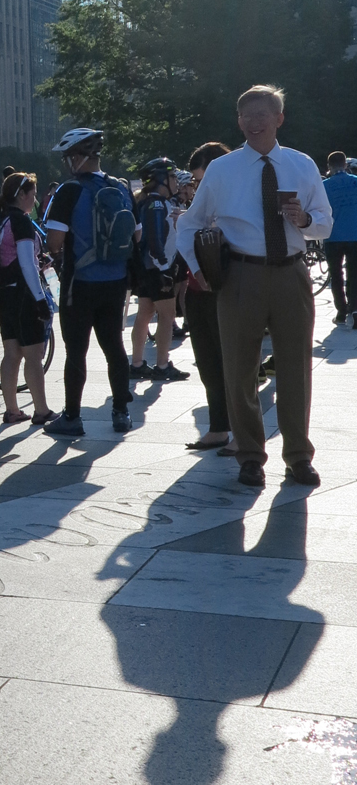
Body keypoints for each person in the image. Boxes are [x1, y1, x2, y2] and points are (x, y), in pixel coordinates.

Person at [176, 85, 333, 488]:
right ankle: (250, 456)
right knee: (239, 368)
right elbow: (189, 223)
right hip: (240, 274)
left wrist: (302, 221)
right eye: (247, 115)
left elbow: (325, 223)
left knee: (295, 366)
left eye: (263, 114)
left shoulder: (301, 165)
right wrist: (198, 269)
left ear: (279, 119)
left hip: (291, 272)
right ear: (239, 122)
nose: (254, 122)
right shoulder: (222, 169)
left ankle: (298, 455)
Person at [43, 129, 138, 437]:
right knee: (114, 347)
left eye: (67, 157)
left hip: (79, 283)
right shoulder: (120, 187)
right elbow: (136, 235)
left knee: (77, 351)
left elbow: (54, 243)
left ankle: (71, 417)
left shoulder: (69, 190)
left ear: (77, 157)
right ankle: (121, 413)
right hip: (115, 281)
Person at [180, 142, 234, 452]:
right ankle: (218, 426)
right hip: (199, 291)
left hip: (227, 290)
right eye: (195, 181)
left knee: (235, 364)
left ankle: (242, 431)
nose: (196, 187)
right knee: (208, 362)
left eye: (201, 181)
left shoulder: (237, 201)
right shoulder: (199, 206)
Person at [0, 172, 55, 426]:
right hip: (23, 295)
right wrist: (40, 300)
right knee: (33, 354)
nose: (36, 199)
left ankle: (12, 410)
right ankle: (41, 410)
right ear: (22, 195)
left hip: (3, 295)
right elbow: (27, 264)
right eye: (33, 194)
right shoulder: (20, 222)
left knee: (12, 353)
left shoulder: (1, 219)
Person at [128, 158, 190, 383]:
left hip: (148, 269)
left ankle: (136, 363)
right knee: (167, 315)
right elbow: (154, 239)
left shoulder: (150, 202)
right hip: (157, 269)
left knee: (145, 314)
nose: (177, 182)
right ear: (160, 180)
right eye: (172, 177)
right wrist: (164, 268)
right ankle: (162, 365)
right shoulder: (156, 204)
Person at [322, 151, 357, 326]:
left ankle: (341, 311)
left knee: (335, 274)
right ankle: (355, 309)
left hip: (333, 236)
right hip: (355, 234)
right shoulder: (356, 182)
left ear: (329, 166)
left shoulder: (324, 185)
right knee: (354, 273)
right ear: (345, 164)